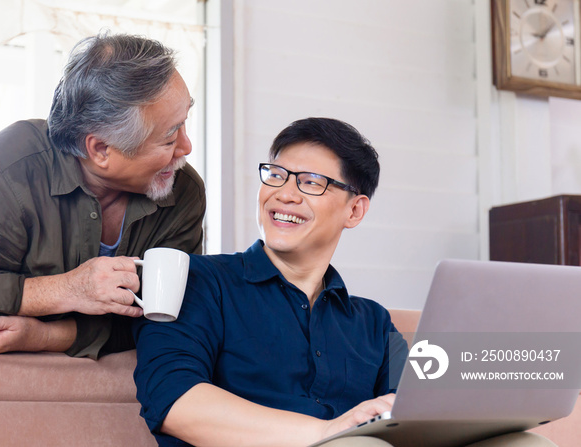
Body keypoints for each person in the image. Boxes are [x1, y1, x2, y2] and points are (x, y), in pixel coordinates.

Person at [132, 118, 557, 447]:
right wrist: (330, 432)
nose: (284, 193)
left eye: (312, 183)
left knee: (526, 442)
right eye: (276, 175)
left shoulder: (373, 324)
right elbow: (174, 401)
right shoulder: (202, 281)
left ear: (355, 211)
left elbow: (412, 420)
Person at [0, 32, 205, 359]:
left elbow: (172, 319)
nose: (187, 147)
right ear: (101, 150)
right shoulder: (0, 178)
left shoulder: (184, 192)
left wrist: (47, 335)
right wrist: (66, 289)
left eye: (184, 123)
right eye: (169, 139)